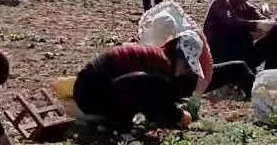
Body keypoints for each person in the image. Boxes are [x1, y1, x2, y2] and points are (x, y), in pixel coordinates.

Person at [73, 33, 203, 132]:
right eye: (186, 65)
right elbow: (139, 91)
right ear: (177, 56)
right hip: (89, 95)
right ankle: (117, 128)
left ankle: (109, 120)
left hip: (89, 85)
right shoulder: (160, 69)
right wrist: (178, 115)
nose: (186, 71)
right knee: (144, 89)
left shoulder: (160, 57)